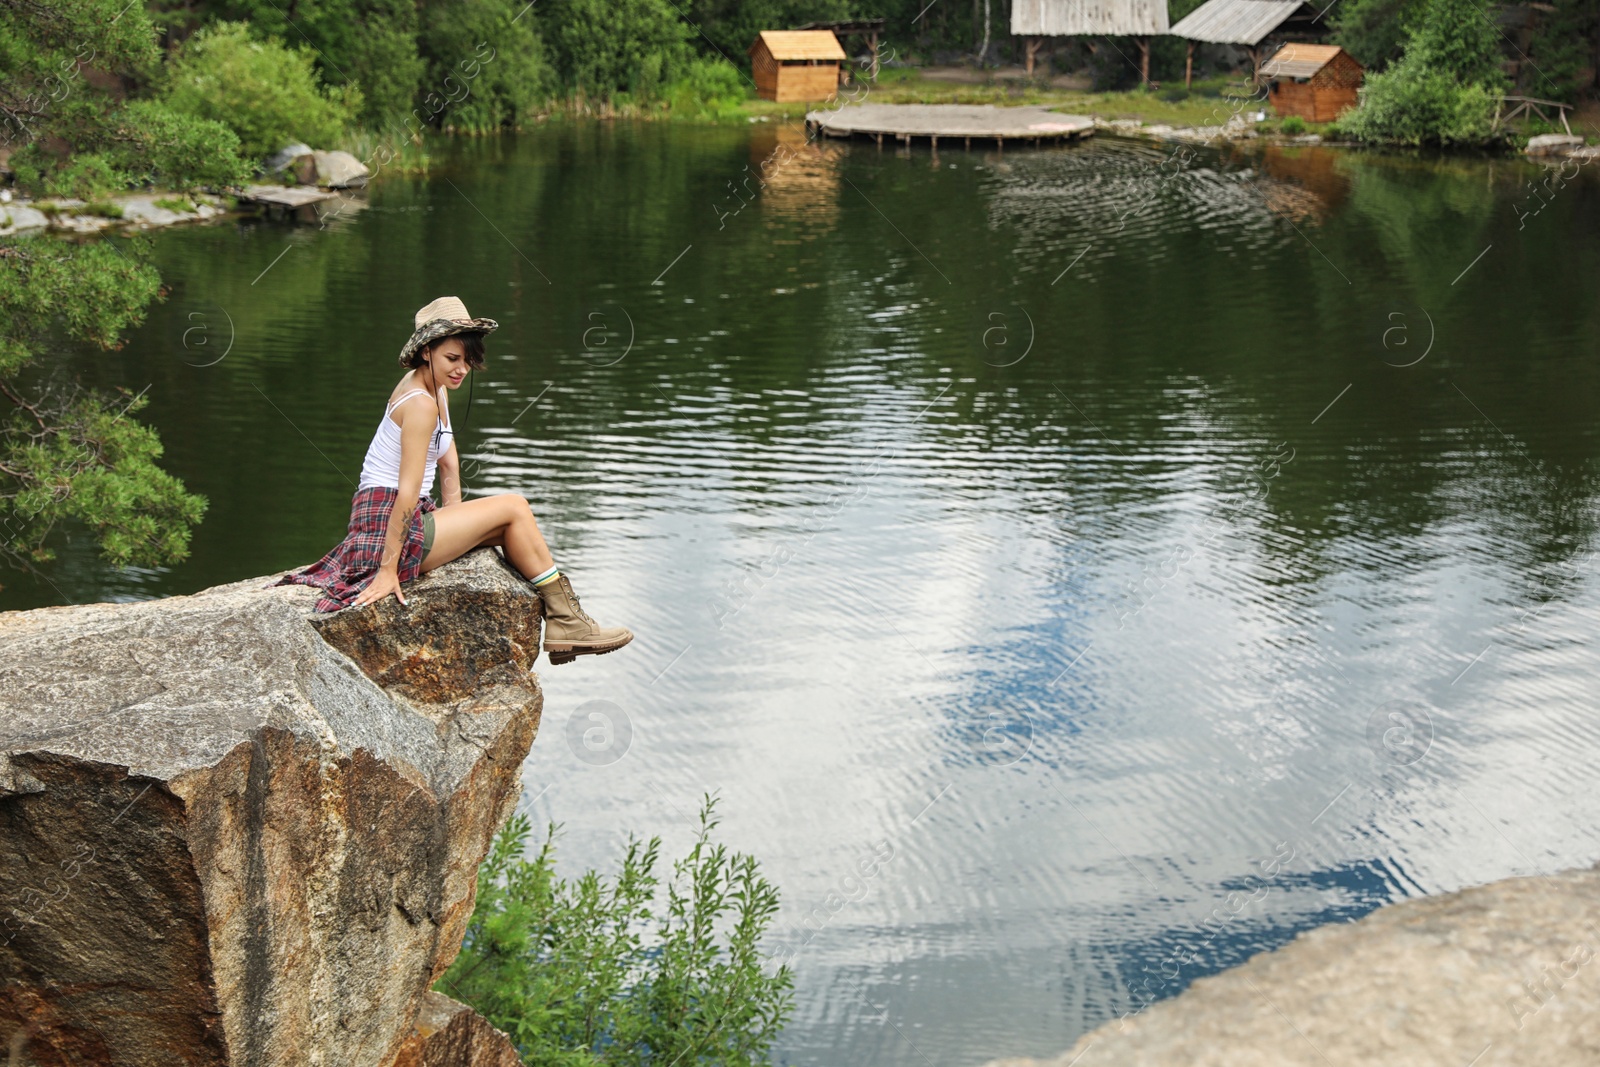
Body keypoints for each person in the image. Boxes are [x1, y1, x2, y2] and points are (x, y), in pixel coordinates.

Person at [280, 296, 632, 665]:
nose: (462, 369)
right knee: (514, 507)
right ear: (427, 351)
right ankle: (568, 623)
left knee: (508, 527)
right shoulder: (419, 403)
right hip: (386, 520)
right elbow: (407, 490)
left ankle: (566, 625)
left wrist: (457, 524)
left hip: (403, 514)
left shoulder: (436, 389)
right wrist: (387, 570)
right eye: (453, 359)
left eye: (468, 360)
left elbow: (448, 461)